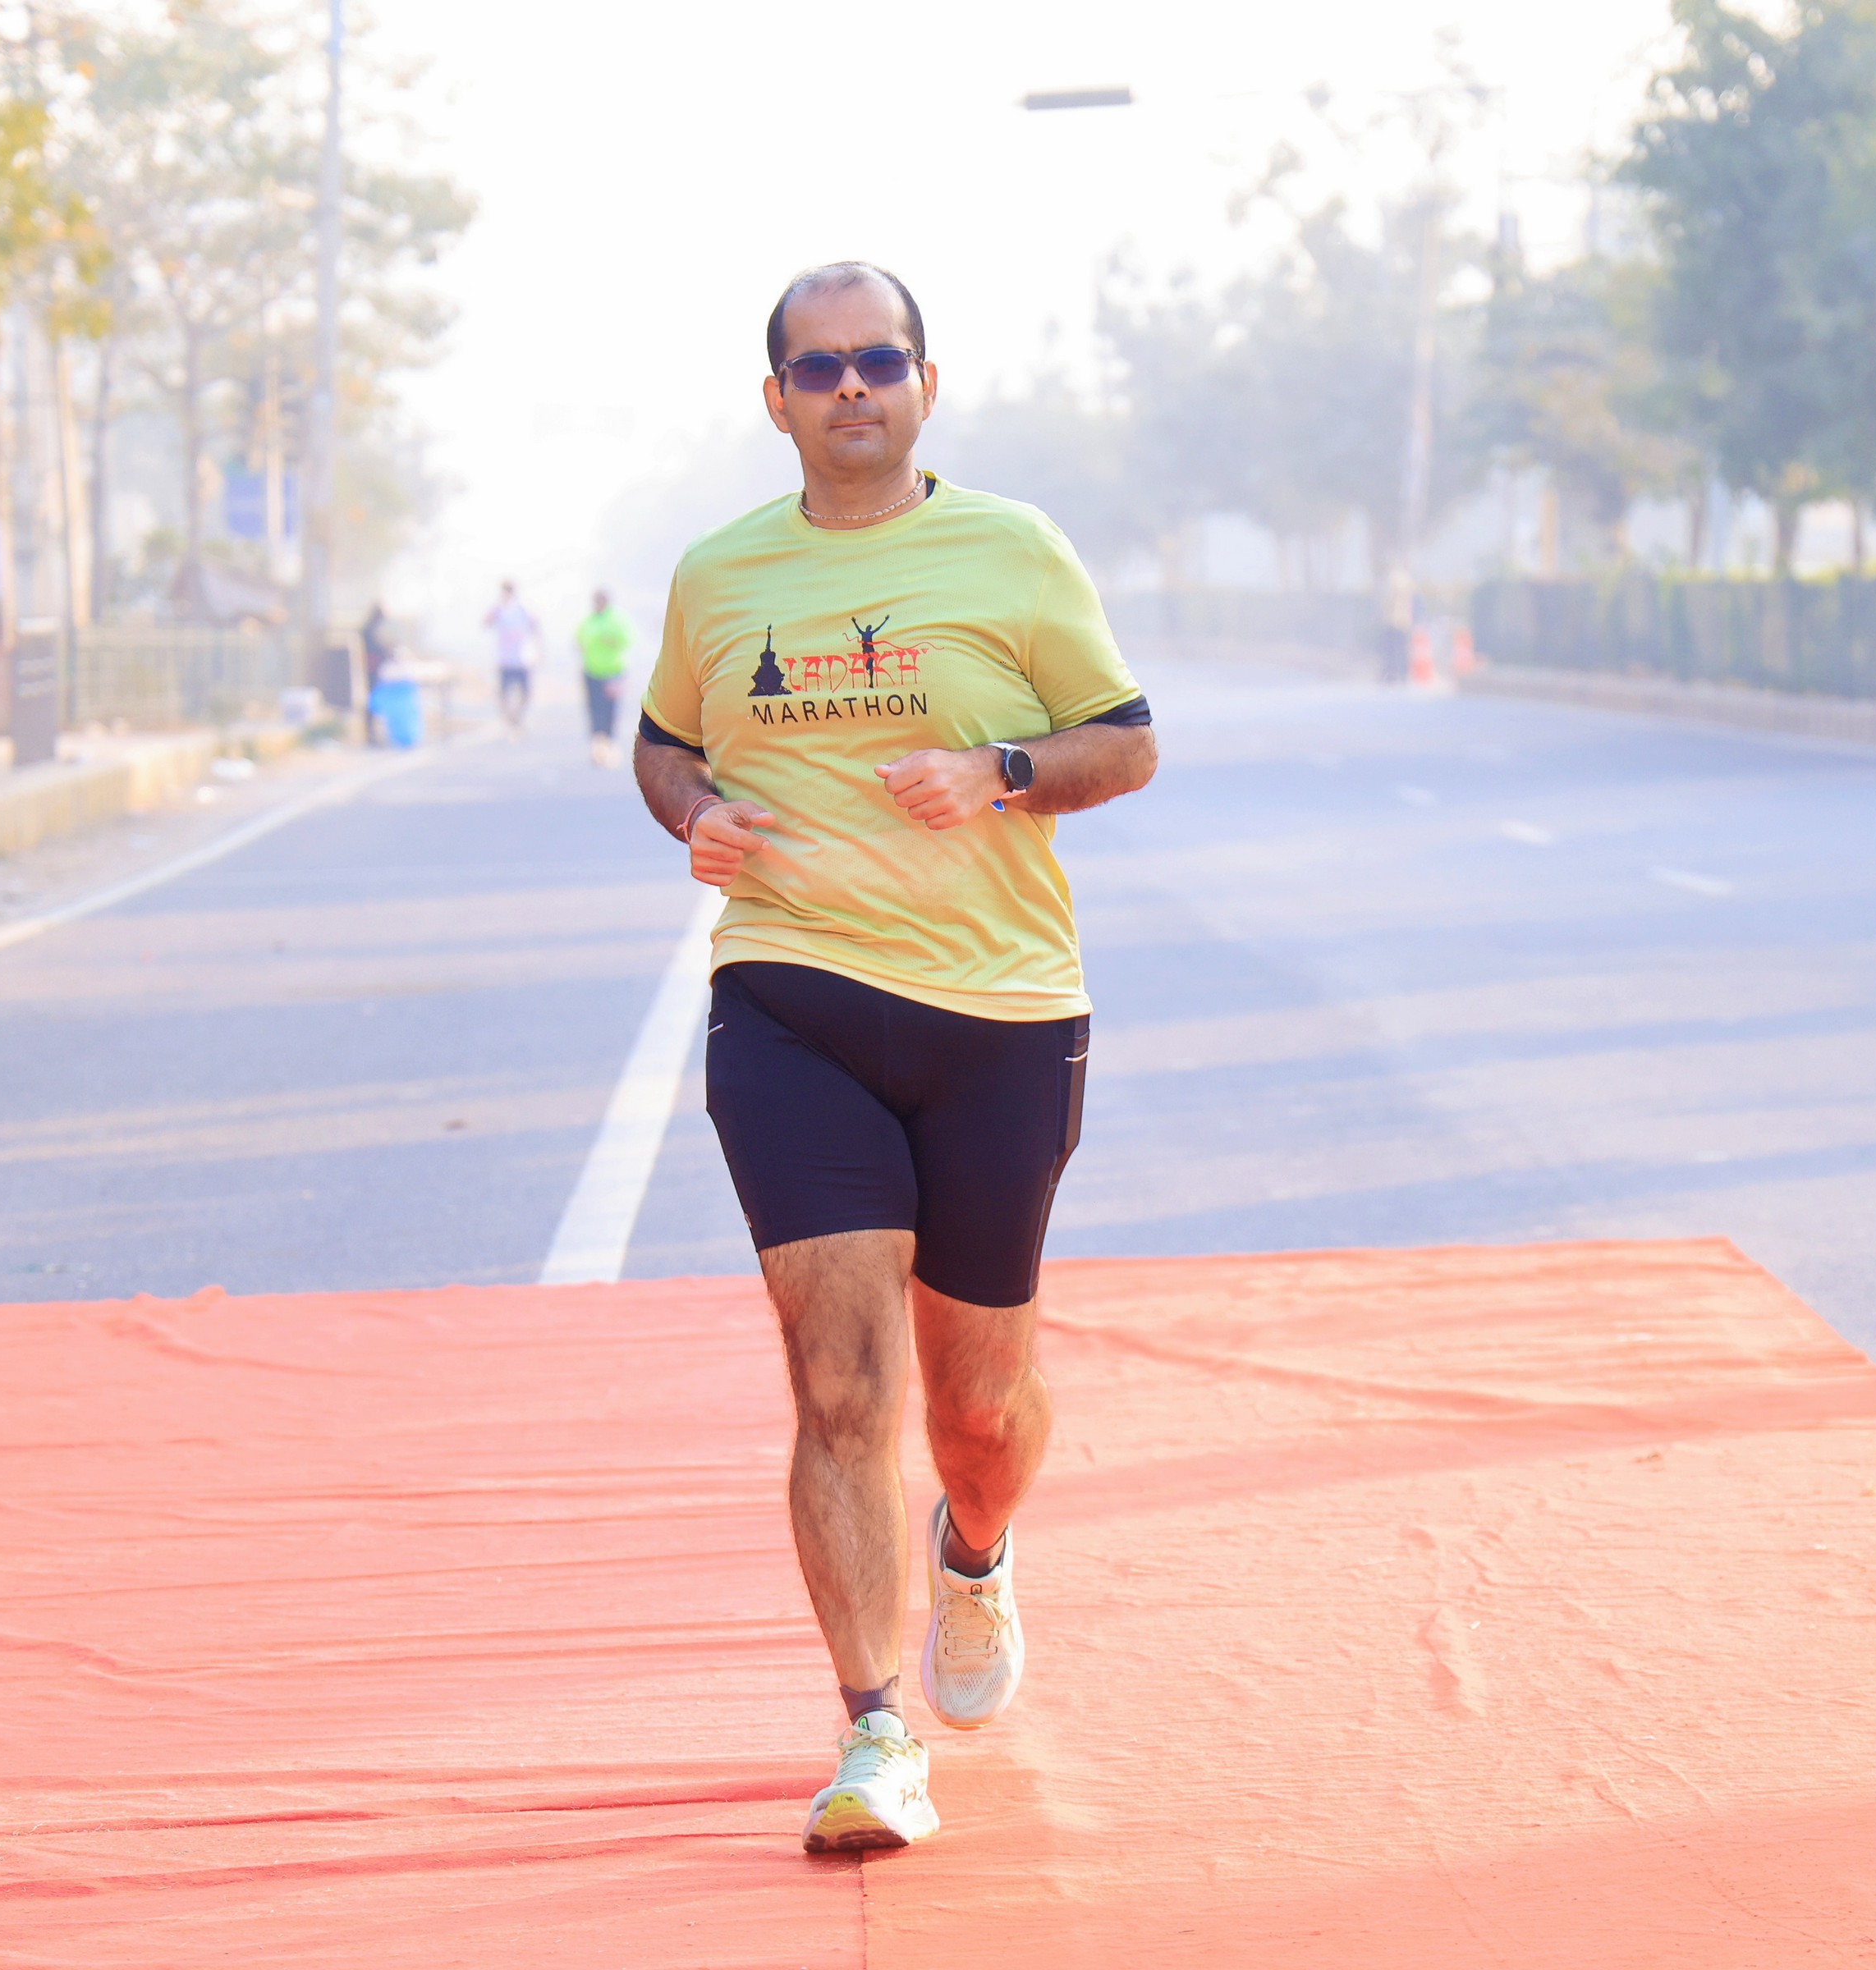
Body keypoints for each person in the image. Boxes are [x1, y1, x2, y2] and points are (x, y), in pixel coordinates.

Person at [633, 262, 1158, 1854]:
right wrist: (694, 814)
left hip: (1001, 1011)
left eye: (878, 360)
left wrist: (1002, 769)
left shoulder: (1013, 549)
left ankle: (975, 1553)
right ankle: (874, 1733)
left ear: (927, 385)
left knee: (977, 1410)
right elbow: (663, 745)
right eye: (819, 366)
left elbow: (1126, 740)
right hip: (791, 994)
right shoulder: (719, 575)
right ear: (777, 399)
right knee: (840, 1382)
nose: (850, 385)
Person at [576, 589, 632, 767]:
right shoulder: (590, 620)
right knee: (594, 709)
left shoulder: (616, 619)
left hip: (612, 672)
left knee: (610, 710)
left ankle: (609, 744)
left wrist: (610, 641)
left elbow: (628, 640)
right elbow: (579, 639)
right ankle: (597, 747)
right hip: (592, 671)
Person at [484, 581, 539, 734]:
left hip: (522, 659)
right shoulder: (499, 610)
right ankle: (510, 719)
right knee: (503, 694)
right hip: (505, 660)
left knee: (526, 694)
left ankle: (516, 717)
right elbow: (486, 622)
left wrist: (538, 651)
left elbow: (535, 624)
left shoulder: (522, 609)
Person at [358, 602, 395, 747]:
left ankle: (373, 732)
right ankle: (370, 733)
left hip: (373, 667)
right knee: (371, 701)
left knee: (373, 700)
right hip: (371, 668)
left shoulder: (371, 628)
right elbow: (374, 648)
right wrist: (386, 651)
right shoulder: (369, 630)